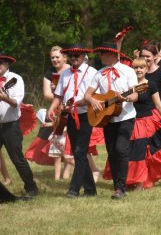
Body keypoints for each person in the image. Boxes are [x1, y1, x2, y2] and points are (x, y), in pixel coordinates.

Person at [103, 57, 161, 191]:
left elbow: (159, 106)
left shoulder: (149, 85)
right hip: (127, 121)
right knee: (126, 153)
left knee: (139, 155)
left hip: (144, 124)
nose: (138, 70)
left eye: (141, 67)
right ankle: (126, 181)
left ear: (146, 69)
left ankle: (139, 183)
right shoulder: (127, 84)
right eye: (136, 67)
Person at [85, 42, 138, 199]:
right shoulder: (99, 74)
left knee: (121, 150)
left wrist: (125, 97)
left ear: (114, 55)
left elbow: (135, 95)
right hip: (107, 119)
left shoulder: (128, 71)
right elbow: (87, 95)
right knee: (112, 152)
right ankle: (118, 186)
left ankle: (120, 189)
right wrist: (94, 101)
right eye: (100, 53)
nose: (100, 56)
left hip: (126, 117)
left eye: (103, 53)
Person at [47, 43, 97, 198]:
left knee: (79, 151)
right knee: (78, 153)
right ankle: (90, 190)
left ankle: (73, 189)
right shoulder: (65, 74)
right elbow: (59, 95)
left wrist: (78, 103)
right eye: (72, 56)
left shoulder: (92, 73)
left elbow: (95, 97)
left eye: (78, 55)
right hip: (69, 115)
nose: (74, 58)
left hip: (85, 115)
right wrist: (51, 108)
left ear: (83, 56)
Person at [25, 46, 74, 180]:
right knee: (48, 137)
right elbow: (47, 94)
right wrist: (59, 95)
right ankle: (54, 174)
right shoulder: (50, 72)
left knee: (69, 139)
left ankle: (67, 172)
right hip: (55, 109)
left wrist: (61, 94)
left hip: (71, 108)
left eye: (57, 57)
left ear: (65, 57)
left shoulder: (72, 69)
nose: (55, 60)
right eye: (52, 57)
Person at [0, 52, 39, 196]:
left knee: (17, 159)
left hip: (11, 126)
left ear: (7, 65)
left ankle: (31, 188)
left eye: (0, 63)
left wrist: (4, 98)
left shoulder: (15, 79)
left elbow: (16, 102)